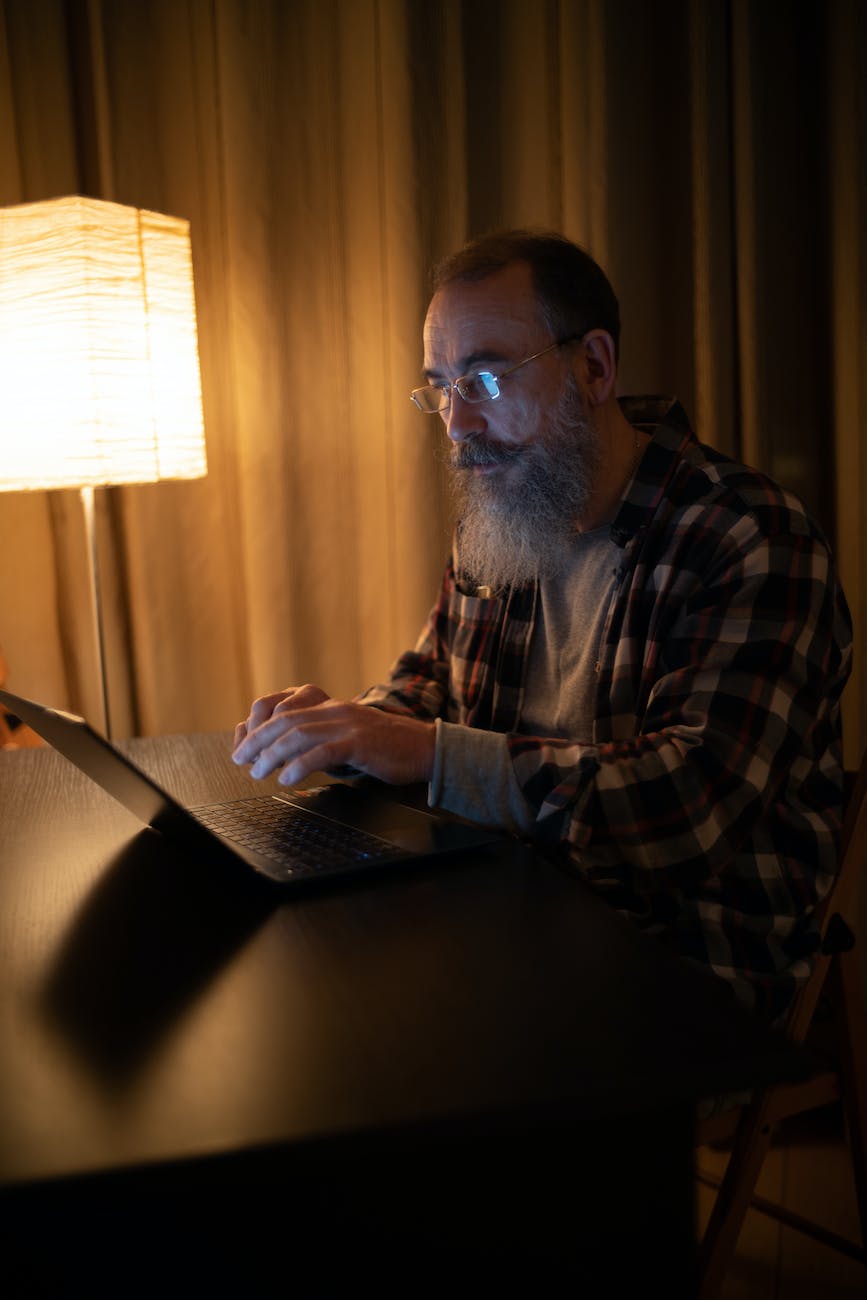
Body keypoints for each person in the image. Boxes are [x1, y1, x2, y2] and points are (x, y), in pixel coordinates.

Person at [233, 229, 853, 1023]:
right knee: (291, 975)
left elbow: (688, 814)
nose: (456, 424)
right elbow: (426, 689)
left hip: (688, 959)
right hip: (509, 909)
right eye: (440, 387)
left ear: (593, 366)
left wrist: (418, 751)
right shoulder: (504, 518)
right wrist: (340, 731)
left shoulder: (746, 537)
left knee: (366, 1036)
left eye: (486, 377)